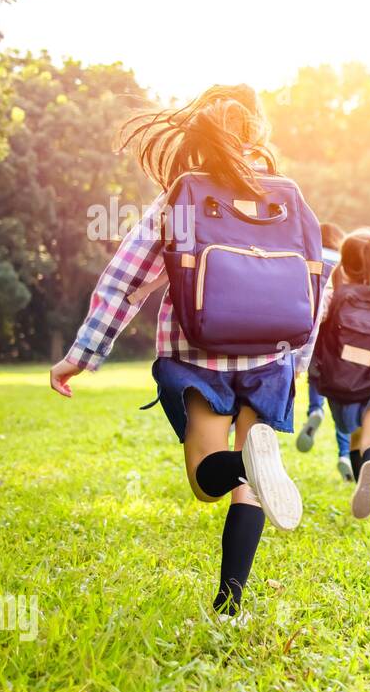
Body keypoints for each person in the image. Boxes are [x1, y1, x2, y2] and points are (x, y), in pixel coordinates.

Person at [48, 84, 319, 618]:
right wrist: (300, 362)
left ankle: (244, 464)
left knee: (206, 482)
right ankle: (230, 602)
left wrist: (81, 354)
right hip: (269, 358)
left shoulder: (183, 197)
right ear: (258, 129)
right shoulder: (286, 195)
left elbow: (125, 278)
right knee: (251, 487)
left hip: (200, 356)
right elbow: (313, 279)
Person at [308, 228, 370, 520]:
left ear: (343, 260)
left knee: (352, 436)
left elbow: (314, 332)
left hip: (341, 384)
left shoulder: (332, 296)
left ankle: (359, 476)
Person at [295, 222, 355, 480]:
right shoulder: (346, 264)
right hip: (343, 345)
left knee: (316, 378)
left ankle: (314, 410)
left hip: (318, 341)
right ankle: (345, 454)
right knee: (342, 403)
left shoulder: (311, 260)